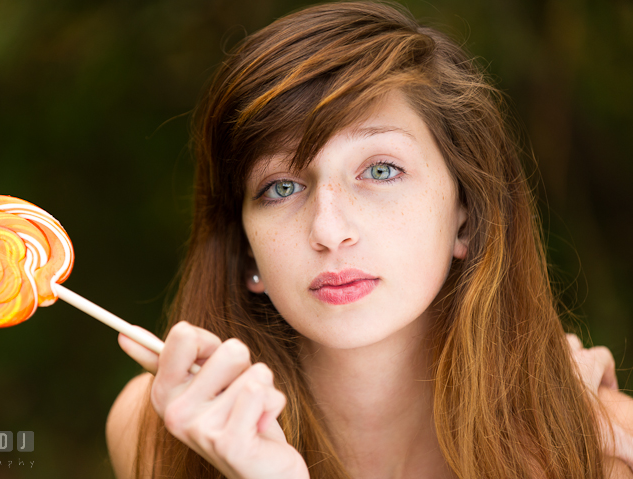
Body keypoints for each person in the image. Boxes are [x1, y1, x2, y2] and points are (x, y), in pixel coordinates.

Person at [105, 1, 633, 477]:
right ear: (246, 248)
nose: (330, 231)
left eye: (380, 171)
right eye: (281, 186)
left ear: (465, 218)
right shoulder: (163, 430)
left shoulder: (597, 446)